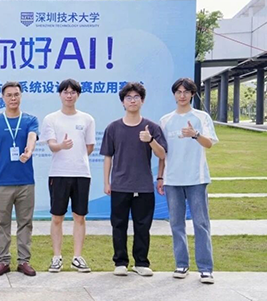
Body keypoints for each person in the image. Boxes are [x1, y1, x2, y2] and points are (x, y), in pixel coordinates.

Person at [100, 82, 167, 277]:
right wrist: (106, 182)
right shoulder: (113, 127)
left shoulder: (152, 127)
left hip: (144, 185)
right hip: (120, 185)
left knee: (142, 226)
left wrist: (150, 140)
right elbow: (108, 156)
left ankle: (141, 262)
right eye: (128, 97)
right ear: (122, 102)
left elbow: (162, 154)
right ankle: (120, 262)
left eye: (136, 97)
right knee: (118, 225)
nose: (132, 101)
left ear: (142, 101)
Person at [157, 77, 218, 284]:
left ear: (192, 94)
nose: (182, 95)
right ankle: (181, 264)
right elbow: (163, 152)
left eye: (186, 92)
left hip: (196, 179)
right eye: (178, 92)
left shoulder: (201, 117)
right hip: (172, 179)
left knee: (201, 223)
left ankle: (206, 269)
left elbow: (209, 143)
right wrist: (160, 176)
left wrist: (195, 134)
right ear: (174, 94)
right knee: (176, 224)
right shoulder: (165, 120)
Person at [40, 79, 95, 273]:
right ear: (60, 94)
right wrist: (61, 146)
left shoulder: (87, 119)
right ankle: (57, 257)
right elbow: (52, 145)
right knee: (57, 217)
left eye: (73, 92)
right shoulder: (51, 119)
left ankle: (77, 257)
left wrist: (77, 158)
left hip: (81, 173)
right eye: (65, 92)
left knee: (79, 216)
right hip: (58, 173)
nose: (69, 95)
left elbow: (89, 146)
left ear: (78, 95)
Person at [0, 81, 39, 277]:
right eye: (9, 95)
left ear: (21, 96)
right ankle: (3, 261)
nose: (13, 98)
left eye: (16, 94)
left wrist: (29, 151)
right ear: (3, 97)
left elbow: (32, 137)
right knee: (2, 223)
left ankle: (24, 261)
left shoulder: (30, 119)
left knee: (25, 222)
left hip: (25, 181)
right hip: (2, 181)